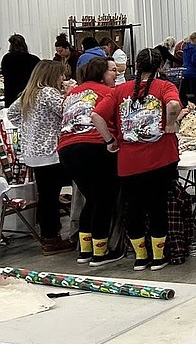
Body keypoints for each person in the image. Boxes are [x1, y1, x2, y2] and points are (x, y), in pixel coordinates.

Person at [90, 48, 182, 270]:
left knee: (134, 209)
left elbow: (96, 115)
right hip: (161, 157)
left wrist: (110, 141)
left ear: (136, 66)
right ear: (160, 67)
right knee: (158, 206)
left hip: (129, 161)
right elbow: (173, 105)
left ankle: (141, 257)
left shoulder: (120, 90)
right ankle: (159, 257)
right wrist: (170, 124)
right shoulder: (165, 87)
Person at [58, 56, 124, 265]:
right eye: (112, 70)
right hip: (94, 146)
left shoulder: (72, 93)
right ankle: (100, 252)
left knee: (92, 198)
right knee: (104, 199)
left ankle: (85, 251)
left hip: (67, 150)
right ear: (101, 73)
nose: (117, 74)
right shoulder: (107, 92)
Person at [7, 60, 74, 255]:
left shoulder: (28, 94)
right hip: (50, 151)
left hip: (32, 153)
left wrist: (30, 125)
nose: (64, 79)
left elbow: (12, 115)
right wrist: (69, 93)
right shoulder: (49, 93)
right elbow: (68, 111)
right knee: (52, 196)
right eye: (62, 75)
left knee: (46, 195)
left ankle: (48, 236)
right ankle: (52, 237)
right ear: (53, 75)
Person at [2, 34, 40, 108]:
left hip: (11, 93)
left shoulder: (6, 58)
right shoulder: (34, 59)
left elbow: (4, 74)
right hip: (29, 94)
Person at [180, 32, 196, 105]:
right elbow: (195, 61)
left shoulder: (186, 48)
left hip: (185, 72)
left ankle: (187, 106)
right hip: (193, 73)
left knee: (187, 92)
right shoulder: (194, 49)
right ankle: (193, 106)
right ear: (195, 39)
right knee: (193, 92)